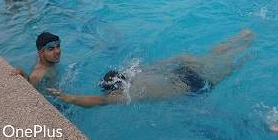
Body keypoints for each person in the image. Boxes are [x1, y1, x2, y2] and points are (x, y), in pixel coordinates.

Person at [48, 29, 253, 108]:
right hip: (181, 69)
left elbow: (98, 101)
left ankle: (248, 54)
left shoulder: (126, 94)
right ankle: (244, 36)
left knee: (231, 68)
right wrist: (179, 57)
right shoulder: (134, 71)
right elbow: (160, 64)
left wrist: (70, 98)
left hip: (191, 86)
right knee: (213, 55)